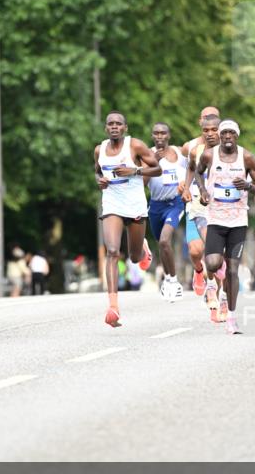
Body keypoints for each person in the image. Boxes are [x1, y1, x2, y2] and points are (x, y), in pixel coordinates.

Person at [195, 120, 255, 334]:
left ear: (236, 136)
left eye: (231, 133)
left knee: (234, 269)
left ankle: (232, 317)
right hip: (216, 219)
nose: (227, 136)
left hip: (238, 222)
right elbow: (198, 172)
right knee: (214, 264)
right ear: (220, 135)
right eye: (223, 133)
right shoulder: (209, 155)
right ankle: (215, 277)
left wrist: (247, 186)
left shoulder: (247, 157)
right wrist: (203, 192)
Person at [94, 111, 160, 328]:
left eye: (118, 124)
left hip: (135, 205)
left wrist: (135, 171)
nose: (114, 127)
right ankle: (113, 306)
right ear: (106, 128)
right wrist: (100, 181)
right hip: (112, 203)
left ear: (125, 128)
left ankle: (143, 249)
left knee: (133, 257)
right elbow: (97, 172)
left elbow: (157, 169)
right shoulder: (99, 150)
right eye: (110, 124)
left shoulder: (135, 146)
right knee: (112, 251)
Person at [181, 107, 227, 320]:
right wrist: (187, 188)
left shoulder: (230, 150)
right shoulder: (192, 148)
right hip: (199, 206)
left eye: (214, 128)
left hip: (224, 208)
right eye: (206, 127)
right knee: (201, 249)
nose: (210, 132)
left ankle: (222, 296)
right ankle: (209, 286)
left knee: (219, 256)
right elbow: (191, 168)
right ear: (200, 123)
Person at [147, 122, 186, 302]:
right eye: (156, 133)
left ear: (169, 135)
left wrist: (186, 186)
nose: (160, 137)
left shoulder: (179, 153)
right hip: (155, 205)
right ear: (152, 136)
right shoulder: (146, 154)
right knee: (161, 245)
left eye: (163, 133)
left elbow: (192, 171)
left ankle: (173, 280)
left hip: (175, 204)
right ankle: (168, 279)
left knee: (164, 240)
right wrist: (153, 161)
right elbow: (141, 182)